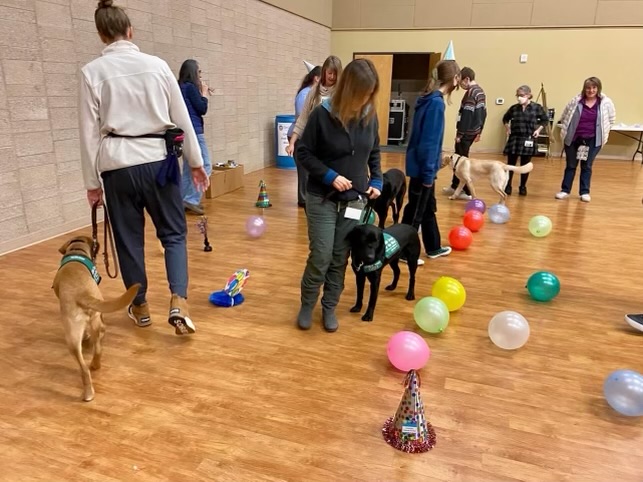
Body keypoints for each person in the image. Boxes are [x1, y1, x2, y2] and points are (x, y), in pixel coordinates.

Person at [79, 0, 209, 335]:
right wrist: (195, 162)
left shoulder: (91, 72)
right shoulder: (157, 65)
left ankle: (140, 307)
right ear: (130, 30)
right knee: (174, 234)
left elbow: (88, 132)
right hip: (159, 162)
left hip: (117, 166)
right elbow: (182, 118)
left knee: (129, 240)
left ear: (101, 34)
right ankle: (179, 300)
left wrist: (92, 182)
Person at [295, 58, 383, 333]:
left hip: (355, 201)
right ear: (348, 90)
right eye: (362, 94)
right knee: (321, 255)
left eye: (370, 94)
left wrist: (377, 179)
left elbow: (375, 152)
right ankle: (307, 304)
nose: (366, 100)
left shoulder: (369, 116)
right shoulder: (323, 114)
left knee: (339, 256)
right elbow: (303, 152)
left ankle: (329, 306)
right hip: (322, 197)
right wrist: (330, 176)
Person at [401, 60, 461, 261]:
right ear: (455, 79)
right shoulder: (435, 104)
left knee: (425, 207)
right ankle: (404, 251)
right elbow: (428, 142)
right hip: (422, 169)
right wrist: (428, 172)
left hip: (421, 167)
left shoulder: (429, 99)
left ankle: (433, 247)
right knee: (416, 211)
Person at [555, 77, 615, 203]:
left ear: (598, 89)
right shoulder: (576, 101)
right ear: (584, 88)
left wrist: (605, 132)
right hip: (573, 138)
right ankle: (565, 190)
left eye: (594, 87)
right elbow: (565, 114)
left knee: (587, 165)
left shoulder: (605, 102)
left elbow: (611, 119)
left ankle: (584, 192)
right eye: (588, 87)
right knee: (571, 165)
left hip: (593, 140)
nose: (591, 90)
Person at [286, 55, 343, 159]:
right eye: (330, 73)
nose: (332, 77)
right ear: (324, 72)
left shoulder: (342, 93)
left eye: (335, 74)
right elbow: (303, 118)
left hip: (334, 147)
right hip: (314, 144)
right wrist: (292, 143)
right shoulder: (313, 92)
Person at [443, 66, 487, 200]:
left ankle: (465, 191)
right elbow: (483, 113)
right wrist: (480, 131)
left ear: (467, 79)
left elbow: (466, 115)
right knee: (458, 160)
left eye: (461, 81)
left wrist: (460, 134)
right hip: (473, 131)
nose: (460, 84)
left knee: (460, 161)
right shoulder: (480, 92)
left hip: (466, 132)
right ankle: (455, 185)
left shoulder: (471, 93)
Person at [178, 59, 213, 215]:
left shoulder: (180, 87)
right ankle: (191, 200)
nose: (200, 75)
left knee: (188, 168)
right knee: (205, 165)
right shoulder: (191, 88)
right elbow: (202, 108)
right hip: (195, 132)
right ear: (193, 72)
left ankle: (183, 200)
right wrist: (204, 95)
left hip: (183, 131)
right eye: (199, 72)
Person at [501, 85, 549, 196]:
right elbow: (505, 118)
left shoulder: (536, 107)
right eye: (517, 95)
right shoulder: (514, 108)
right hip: (515, 138)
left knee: (525, 164)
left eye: (521, 95)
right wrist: (507, 128)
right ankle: (508, 185)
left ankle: (523, 186)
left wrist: (538, 130)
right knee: (511, 164)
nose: (519, 98)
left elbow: (545, 120)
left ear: (528, 95)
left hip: (528, 138)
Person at [288, 65, 321, 208]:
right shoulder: (305, 94)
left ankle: (309, 198)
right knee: (304, 171)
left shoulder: (314, 93)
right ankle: (303, 200)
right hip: (300, 137)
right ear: (316, 78)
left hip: (309, 138)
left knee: (310, 170)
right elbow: (304, 119)